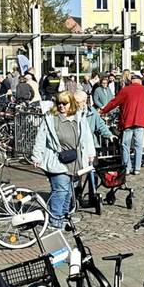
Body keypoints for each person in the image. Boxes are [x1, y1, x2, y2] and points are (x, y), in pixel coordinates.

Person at [32, 91, 96, 228]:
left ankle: (65, 216)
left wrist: (90, 153)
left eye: (64, 103)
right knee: (60, 191)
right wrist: (37, 156)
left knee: (68, 191)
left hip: (74, 160)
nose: (61, 106)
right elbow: (41, 138)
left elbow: (86, 136)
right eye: (59, 103)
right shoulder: (51, 118)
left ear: (71, 104)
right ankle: (55, 220)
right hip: (56, 159)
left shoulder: (78, 117)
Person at [99, 72, 144, 175]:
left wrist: (103, 111)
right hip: (141, 121)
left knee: (125, 145)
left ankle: (127, 168)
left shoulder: (126, 90)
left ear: (131, 81)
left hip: (128, 121)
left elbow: (114, 102)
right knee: (138, 146)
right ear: (140, 81)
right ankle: (137, 168)